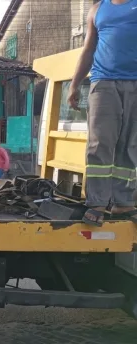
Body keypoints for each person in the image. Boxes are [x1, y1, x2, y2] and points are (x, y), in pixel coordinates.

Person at [67, 0, 137, 226]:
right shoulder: (97, 10)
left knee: (129, 143)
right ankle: (97, 202)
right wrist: (74, 84)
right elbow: (88, 49)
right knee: (100, 143)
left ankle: (123, 201)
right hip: (103, 83)